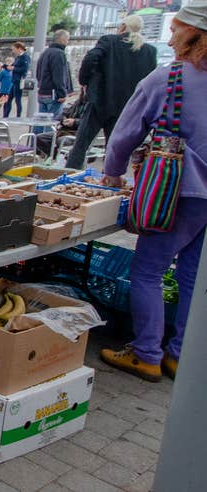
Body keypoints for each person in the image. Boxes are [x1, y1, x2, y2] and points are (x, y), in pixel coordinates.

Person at [99, 3, 207, 382]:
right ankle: (179, 355)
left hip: (176, 194)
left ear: (194, 34)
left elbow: (125, 134)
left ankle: (146, 354)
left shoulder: (168, 79)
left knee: (147, 271)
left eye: (176, 29)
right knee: (194, 276)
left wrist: (111, 174)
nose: (170, 35)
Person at [65, 16, 157, 169]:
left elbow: (90, 58)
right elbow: (150, 79)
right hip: (126, 105)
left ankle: (69, 175)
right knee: (114, 147)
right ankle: (110, 178)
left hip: (101, 100)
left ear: (122, 26)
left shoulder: (109, 41)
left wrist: (85, 81)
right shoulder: (149, 51)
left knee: (81, 145)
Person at [35, 89, 88, 158]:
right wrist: (63, 119)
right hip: (65, 131)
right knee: (39, 138)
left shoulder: (91, 105)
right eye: (83, 88)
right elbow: (63, 114)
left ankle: (62, 158)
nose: (84, 89)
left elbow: (89, 122)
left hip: (78, 133)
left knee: (61, 140)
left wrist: (74, 122)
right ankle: (55, 157)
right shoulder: (78, 101)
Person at [36, 30, 74, 121]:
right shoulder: (59, 54)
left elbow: (38, 73)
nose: (68, 42)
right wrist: (62, 93)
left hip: (43, 92)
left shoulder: (45, 52)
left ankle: (36, 135)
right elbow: (59, 76)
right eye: (67, 39)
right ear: (63, 40)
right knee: (51, 123)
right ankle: (46, 135)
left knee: (41, 122)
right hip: (53, 94)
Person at [4, 42, 30, 118]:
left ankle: (18, 116)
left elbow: (25, 69)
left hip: (19, 80)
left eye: (14, 49)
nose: (13, 51)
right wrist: (5, 66)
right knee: (9, 99)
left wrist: (14, 68)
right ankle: (6, 116)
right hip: (14, 80)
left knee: (17, 100)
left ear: (19, 48)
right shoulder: (18, 57)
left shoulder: (25, 57)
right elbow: (12, 66)